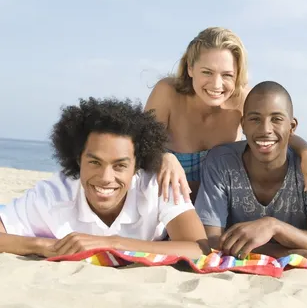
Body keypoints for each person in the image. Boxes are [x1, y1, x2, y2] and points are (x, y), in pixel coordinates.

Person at [145, 27, 307, 204]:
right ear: (190, 68)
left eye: (227, 75)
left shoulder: (244, 99)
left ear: (237, 75)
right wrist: (163, 157)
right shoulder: (167, 92)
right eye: (207, 72)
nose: (216, 84)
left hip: (218, 209)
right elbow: (138, 143)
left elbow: (276, 131)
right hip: (165, 205)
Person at [0, 98, 210, 258]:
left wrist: (113, 243)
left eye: (120, 165)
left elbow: (198, 248)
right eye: (95, 162)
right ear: (77, 159)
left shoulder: (159, 183)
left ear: (137, 166)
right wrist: (45, 246)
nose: (105, 178)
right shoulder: (53, 193)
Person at [195, 81, 307, 261]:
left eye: (277, 119)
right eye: (255, 119)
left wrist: (273, 227)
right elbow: (211, 241)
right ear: (244, 125)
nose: (265, 129)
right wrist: (284, 253)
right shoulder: (221, 163)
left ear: (292, 127)